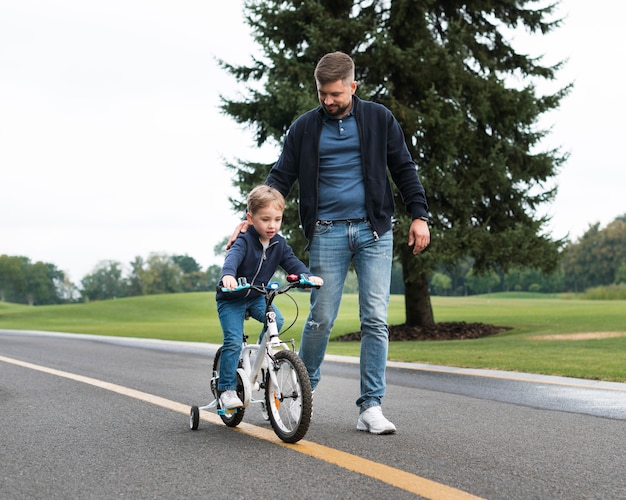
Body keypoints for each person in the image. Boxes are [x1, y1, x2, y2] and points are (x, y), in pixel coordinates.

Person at [228, 52, 430, 433]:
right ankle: (300, 391)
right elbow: (280, 177)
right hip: (326, 232)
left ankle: (371, 407)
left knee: (375, 318)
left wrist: (419, 214)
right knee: (321, 318)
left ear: (353, 86)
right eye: (322, 93)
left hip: (373, 232)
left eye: (336, 93)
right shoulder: (305, 128)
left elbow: (403, 167)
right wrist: (248, 219)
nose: (328, 100)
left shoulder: (378, 118)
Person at [216, 185, 323, 409]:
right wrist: (228, 276)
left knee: (278, 320)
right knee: (233, 341)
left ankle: (257, 359)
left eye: (277, 219)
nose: (272, 225)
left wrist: (307, 276)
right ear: (250, 218)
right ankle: (226, 388)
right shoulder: (245, 240)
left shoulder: (279, 243)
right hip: (232, 297)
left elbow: (292, 262)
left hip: (257, 296)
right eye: (265, 219)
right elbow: (232, 258)